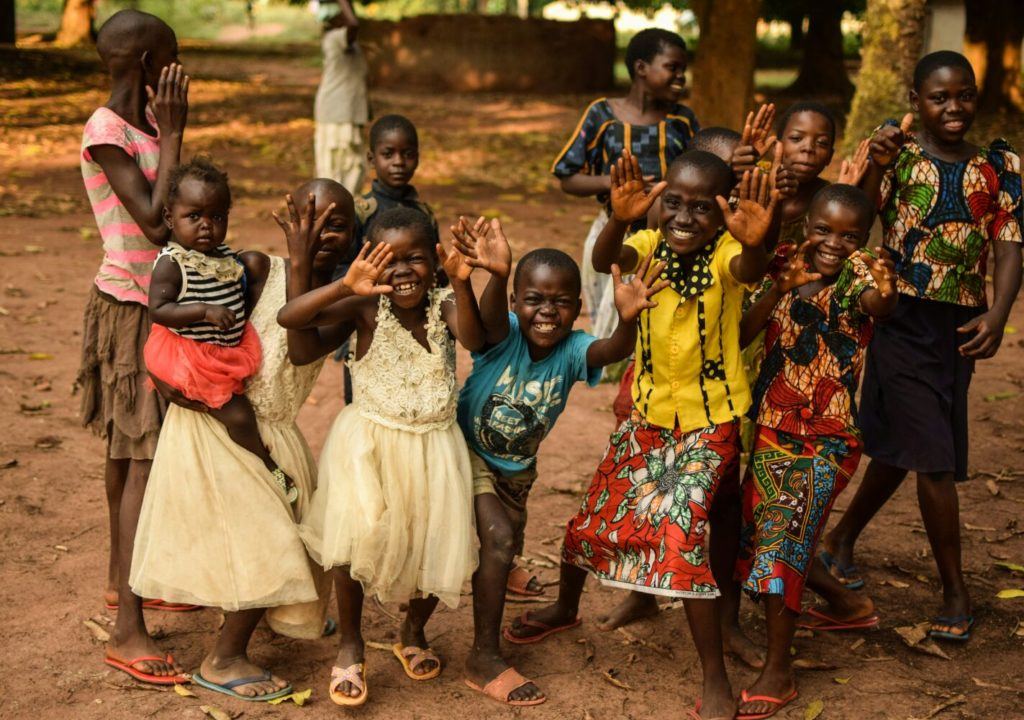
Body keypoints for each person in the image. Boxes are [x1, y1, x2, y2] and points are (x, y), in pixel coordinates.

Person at [504, 150, 777, 720]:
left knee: (679, 539)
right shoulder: (648, 247)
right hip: (648, 417)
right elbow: (607, 258)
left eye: (703, 208)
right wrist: (620, 219)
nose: (684, 216)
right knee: (593, 518)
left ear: (724, 215)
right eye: (673, 202)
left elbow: (749, 272)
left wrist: (754, 241)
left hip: (711, 423)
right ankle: (564, 607)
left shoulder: (729, 254)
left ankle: (714, 677)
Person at [823, 50, 1023, 643]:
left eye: (964, 95)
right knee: (933, 457)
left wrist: (999, 312)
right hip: (899, 314)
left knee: (901, 442)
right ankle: (956, 593)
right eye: (939, 98)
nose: (954, 107)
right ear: (917, 102)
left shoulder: (1000, 163)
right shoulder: (900, 154)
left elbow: (1011, 244)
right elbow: (851, 214)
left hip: (959, 325)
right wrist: (872, 167)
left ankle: (839, 541)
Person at [131, 182, 359, 700]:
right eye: (306, 218)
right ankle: (224, 657)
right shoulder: (253, 267)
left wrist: (302, 263)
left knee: (286, 537)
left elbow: (298, 345)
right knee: (265, 539)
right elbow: (181, 319)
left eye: (335, 223)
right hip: (217, 422)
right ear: (286, 219)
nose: (319, 231)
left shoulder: (346, 302)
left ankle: (253, 632)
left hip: (274, 432)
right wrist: (175, 378)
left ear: (354, 233)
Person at [448, 218, 667, 706]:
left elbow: (611, 349)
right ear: (515, 303)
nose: (547, 311)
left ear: (578, 307)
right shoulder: (502, 333)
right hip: (469, 454)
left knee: (510, 534)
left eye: (560, 301)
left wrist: (629, 319)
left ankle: (503, 570)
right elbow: (479, 330)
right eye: (534, 300)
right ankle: (483, 657)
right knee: (498, 540)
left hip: (518, 469)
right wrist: (498, 274)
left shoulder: (573, 349)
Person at [280, 207, 480, 707]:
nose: (402, 271)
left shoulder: (443, 306)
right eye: (387, 260)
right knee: (354, 541)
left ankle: (412, 630)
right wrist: (346, 286)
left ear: (435, 262)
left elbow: (478, 339)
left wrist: (463, 284)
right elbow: (292, 321)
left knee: (432, 539)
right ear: (368, 261)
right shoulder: (365, 309)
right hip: (367, 446)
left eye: (414, 258)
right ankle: (351, 644)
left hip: (435, 447)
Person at [733, 184, 897, 719]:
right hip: (769, 429)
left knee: (781, 542)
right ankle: (849, 604)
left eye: (850, 236)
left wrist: (886, 293)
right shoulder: (785, 265)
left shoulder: (860, 277)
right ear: (807, 228)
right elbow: (740, 335)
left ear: (865, 239)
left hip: (826, 438)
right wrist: (778, 287)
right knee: (764, 534)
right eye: (824, 230)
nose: (834, 243)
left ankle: (778, 672)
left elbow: (878, 304)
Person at [75, 8, 191, 685]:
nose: (184, 76)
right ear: (150, 65)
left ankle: (126, 581)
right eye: (175, 61)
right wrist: (174, 131)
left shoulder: (145, 127)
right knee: (142, 457)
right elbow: (154, 222)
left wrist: (169, 132)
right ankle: (128, 631)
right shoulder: (106, 130)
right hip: (132, 312)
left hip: (154, 304)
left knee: (128, 452)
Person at [144, 158, 297, 502]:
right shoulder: (173, 263)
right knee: (239, 415)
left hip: (223, 351)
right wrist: (204, 310)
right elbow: (158, 310)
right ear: (170, 218)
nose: (206, 227)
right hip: (191, 355)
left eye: (217, 217)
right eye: (193, 216)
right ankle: (268, 465)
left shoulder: (226, 257)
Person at [553, 27, 699, 340]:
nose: (681, 77)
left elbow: (701, 171)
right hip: (613, 234)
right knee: (613, 331)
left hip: (669, 241)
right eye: (672, 68)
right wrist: (611, 183)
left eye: (683, 70)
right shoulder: (602, 114)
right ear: (641, 68)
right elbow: (567, 176)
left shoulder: (683, 120)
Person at [333, 114, 440, 399]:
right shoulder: (360, 211)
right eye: (388, 154)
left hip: (416, 320)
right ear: (371, 158)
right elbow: (341, 266)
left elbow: (435, 267)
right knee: (362, 397)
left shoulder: (424, 214)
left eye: (407, 154)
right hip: (367, 321)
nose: (398, 162)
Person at [313, 0, 369, 194]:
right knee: (336, 165)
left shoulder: (349, 43)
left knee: (352, 164)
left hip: (349, 111)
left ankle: (343, 207)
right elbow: (354, 23)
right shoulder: (336, 38)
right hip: (337, 111)